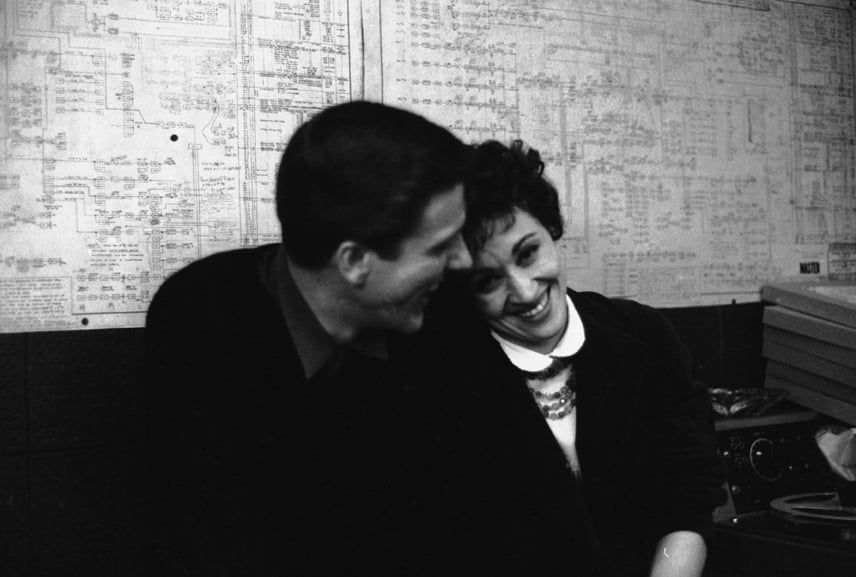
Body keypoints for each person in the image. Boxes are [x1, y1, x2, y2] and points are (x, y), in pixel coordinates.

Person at [143, 100, 473, 576]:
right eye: (441, 247)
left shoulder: (439, 311)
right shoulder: (200, 320)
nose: (464, 261)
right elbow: (223, 541)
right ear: (354, 261)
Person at [417, 139, 727, 577]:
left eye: (528, 253)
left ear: (550, 227)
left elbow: (687, 501)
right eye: (488, 280)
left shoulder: (643, 335)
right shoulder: (443, 374)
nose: (525, 292)